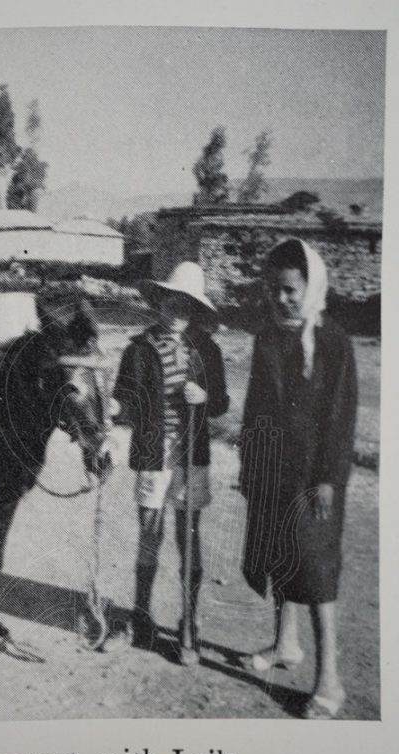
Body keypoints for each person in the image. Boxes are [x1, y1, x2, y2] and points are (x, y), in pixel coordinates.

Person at [240, 238, 357, 719]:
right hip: (272, 470)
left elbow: (341, 415)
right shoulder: (267, 337)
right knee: (279, 557)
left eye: (289, 290)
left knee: (315, 569)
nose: (281, 298)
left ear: (310, 286)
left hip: (315, 475)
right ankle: (286, 645)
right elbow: (254, 408)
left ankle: (330, 679)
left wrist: (328, 477)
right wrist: (250, 466)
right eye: (273, 290)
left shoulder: (334, 343)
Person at [113, 262, 229, 651]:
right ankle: (141, 616)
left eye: (187, 305)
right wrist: (112, 411)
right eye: (172, 302)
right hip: (152, 452)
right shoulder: (139, 348)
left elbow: (221, 405)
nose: (178, 312)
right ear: (160, 302)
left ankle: (188, 624)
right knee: (149, 535)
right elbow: (124, 398)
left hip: (191, 455)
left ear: (196, 310)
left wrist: (206, 397)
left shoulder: (207, 349)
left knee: (188, 538)